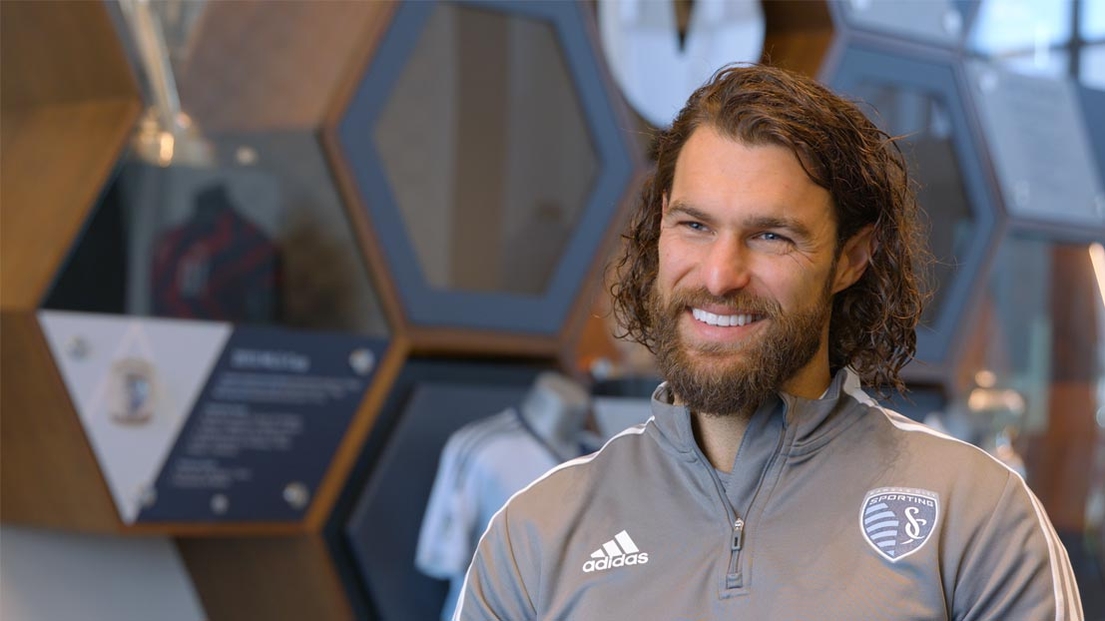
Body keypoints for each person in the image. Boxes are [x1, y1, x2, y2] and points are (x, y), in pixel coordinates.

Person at [452, 64, 1083, 619]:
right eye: (694, 225)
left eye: (772, 236)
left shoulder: (977, 515)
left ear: (851, 258)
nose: (720, 275)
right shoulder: (534, 533)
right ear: (659, 228)